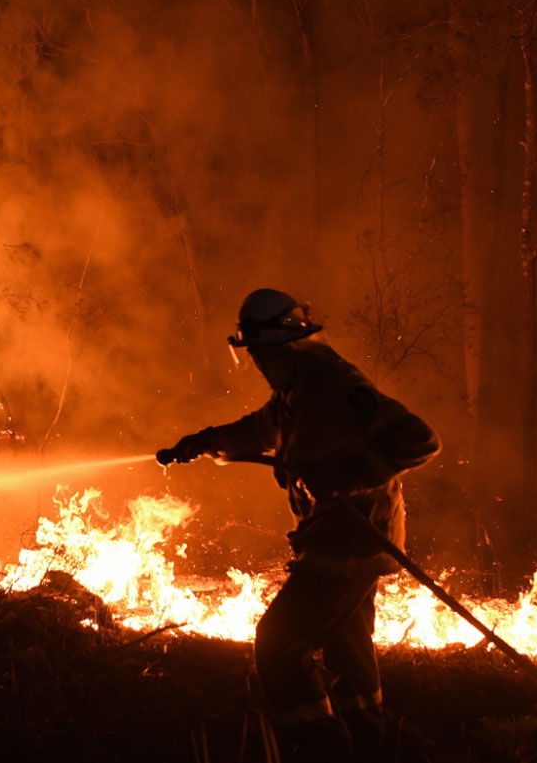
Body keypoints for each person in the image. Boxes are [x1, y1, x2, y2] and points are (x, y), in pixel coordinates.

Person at [157, 288, 440, 763]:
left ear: (288, 347)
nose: (257, 365)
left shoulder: (339, 388)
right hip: (335, 539)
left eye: (262, 355)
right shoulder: (295, 393)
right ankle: (373, 745)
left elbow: (420, 439)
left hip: (351, 542)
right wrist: (203, 442)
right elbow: (256, 432)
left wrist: (348, 477)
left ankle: (323, 750)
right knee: (348, 654)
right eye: (253, 355)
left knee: (279, 644)